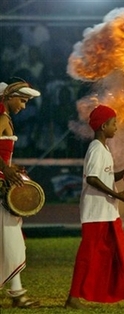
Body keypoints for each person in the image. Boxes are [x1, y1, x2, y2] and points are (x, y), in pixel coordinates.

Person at [65, 104, 124, 310]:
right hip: (96, 213)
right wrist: (117, 195)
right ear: (104, 126)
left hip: (106, 212)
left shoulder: (102, 148)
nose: (116, 127)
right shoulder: (96, 148)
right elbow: (93, 179)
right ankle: (73, 298)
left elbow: (104, 176)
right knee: (89, 255)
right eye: (114, 124)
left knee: (121, 252)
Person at [0, 79, 41, 308]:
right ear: (9, 97)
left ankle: (17, 293)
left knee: (9, 240)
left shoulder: (5, 118)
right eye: (22, 101)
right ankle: (17, 294)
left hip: (3, 185)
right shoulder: (3, 118)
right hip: (0, 187)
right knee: (12, 240)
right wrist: (5, 168)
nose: (24, 106)